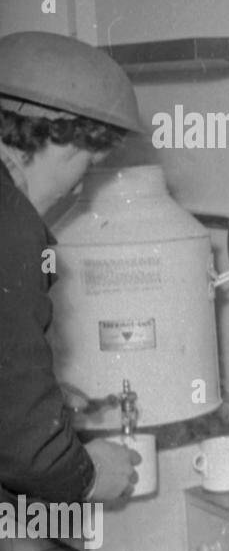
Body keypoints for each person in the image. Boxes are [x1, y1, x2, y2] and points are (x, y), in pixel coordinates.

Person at [0, 32, 143, 506]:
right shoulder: (11, 224)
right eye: (84, 169)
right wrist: (86, 475)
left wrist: (34, 390)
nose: (74, 191)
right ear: (60, 139)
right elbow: (30, 453)